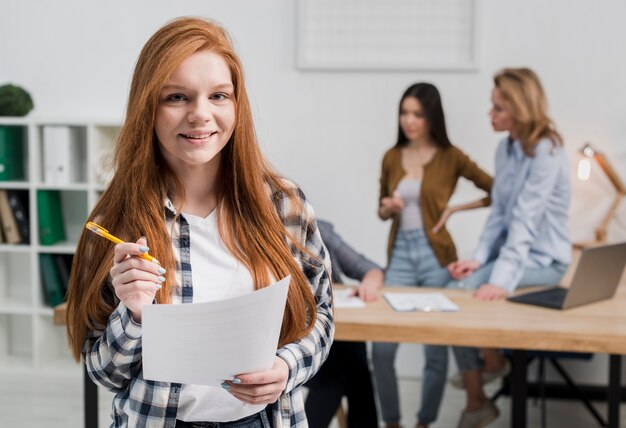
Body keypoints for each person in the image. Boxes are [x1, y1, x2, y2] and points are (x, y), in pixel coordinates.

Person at [65, 17, 333, 428]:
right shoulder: (113, 222)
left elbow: (321, 318)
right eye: (177, 97)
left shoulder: (284, 204)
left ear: (236, 105)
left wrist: (286, 368)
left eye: (218, 96)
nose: (200, 115)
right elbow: (104, 372)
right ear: (147, 107)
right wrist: (134, 315)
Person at [447, 67, 571, 428]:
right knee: (458, 283)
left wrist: (499, 280)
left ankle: (487, 375)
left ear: (520, 109)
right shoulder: (507, 148)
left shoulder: (548, 150)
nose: (491, 114)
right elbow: (500, 214)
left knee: (463, 293)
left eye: (498, 108)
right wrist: (478, 260)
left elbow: (525, 222)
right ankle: (492, 368)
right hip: (513, 255)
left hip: (546, 261)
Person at [372, 83, 493, 428]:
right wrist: (388, 207)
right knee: (381, 350)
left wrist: (455, 208)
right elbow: (380, 210)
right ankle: (392, 422)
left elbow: (497, 189)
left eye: (418, 114)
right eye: (404, 113)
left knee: (435, 350)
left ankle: (425, 423)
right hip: (400, 256)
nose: (409, 121)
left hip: (436, 257)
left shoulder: (451, 156)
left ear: (431, 118)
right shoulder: (392, 156)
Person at [304, 220, 383, 428]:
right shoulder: (263, 233)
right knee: (333, 380)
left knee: (358, 371)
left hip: (335, 327)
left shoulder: (318, 229)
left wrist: (369, 282)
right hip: (296, 338)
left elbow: (370, 269)